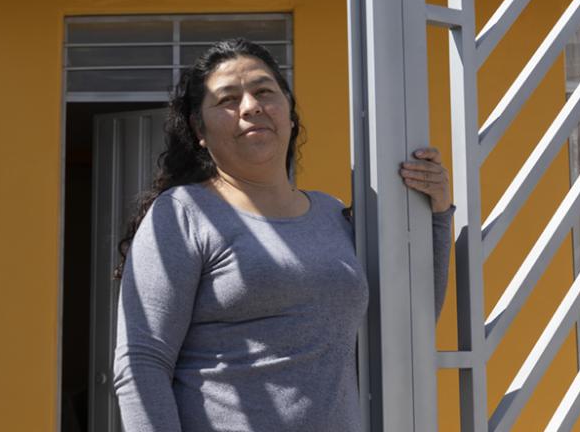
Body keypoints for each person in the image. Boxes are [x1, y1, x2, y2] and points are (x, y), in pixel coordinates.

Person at [112, 38, 454, 432]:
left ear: (289, 114)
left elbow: (409, 323)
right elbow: (141, 363)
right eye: (227, 100)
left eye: (264, 92)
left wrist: (438, 213)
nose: (251, 106)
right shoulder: (182, 214)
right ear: (198, 129)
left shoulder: (333, 214)